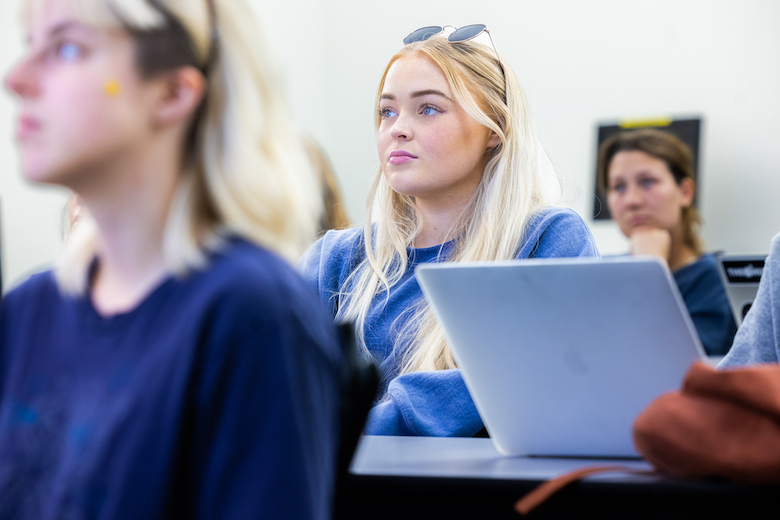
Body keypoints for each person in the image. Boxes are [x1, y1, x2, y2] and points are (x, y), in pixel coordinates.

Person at [0, 0, 342, 518]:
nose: (17, 78)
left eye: (67, 48)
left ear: (172, 92)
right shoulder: (28, 312)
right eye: (30, 46)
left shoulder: (251, 315)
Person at [301, 25, 598, 437]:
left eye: (427, 109)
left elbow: (514, 373)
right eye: (387, 111)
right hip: (339, 492)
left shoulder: (546, 240)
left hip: (470, 497)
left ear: (494, 130)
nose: (397, 129)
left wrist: (353, 429)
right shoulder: (336, 259)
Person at [597, 128, 737, 356]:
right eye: (619, 187)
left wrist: (649, 268)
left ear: (685, 192)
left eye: (647, 182)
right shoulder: (601, 272)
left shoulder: (717, 280)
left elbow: (673, 367)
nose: (632, 200)